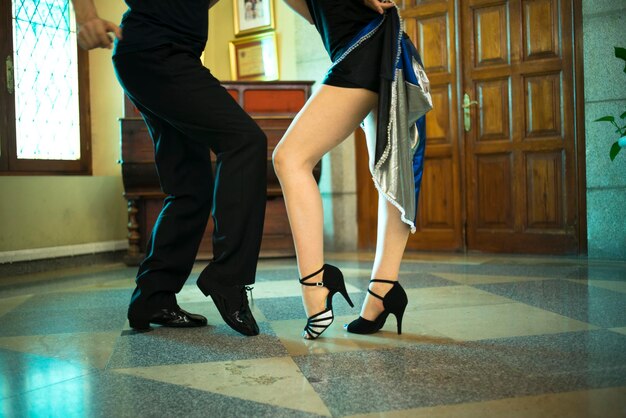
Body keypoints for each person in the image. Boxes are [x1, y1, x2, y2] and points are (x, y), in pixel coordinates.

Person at [71, 0, 268, 336]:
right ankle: (228, 276)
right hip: (155, 50)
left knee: (191, 188)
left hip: (163, 55)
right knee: (245, 141)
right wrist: (86, 15)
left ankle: (153, 297)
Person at [274, 0, 432, 339]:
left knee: (290, 158)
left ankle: (316, 287)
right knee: (391, 170)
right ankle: (382, 291)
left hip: (367, 42)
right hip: (359, 46)